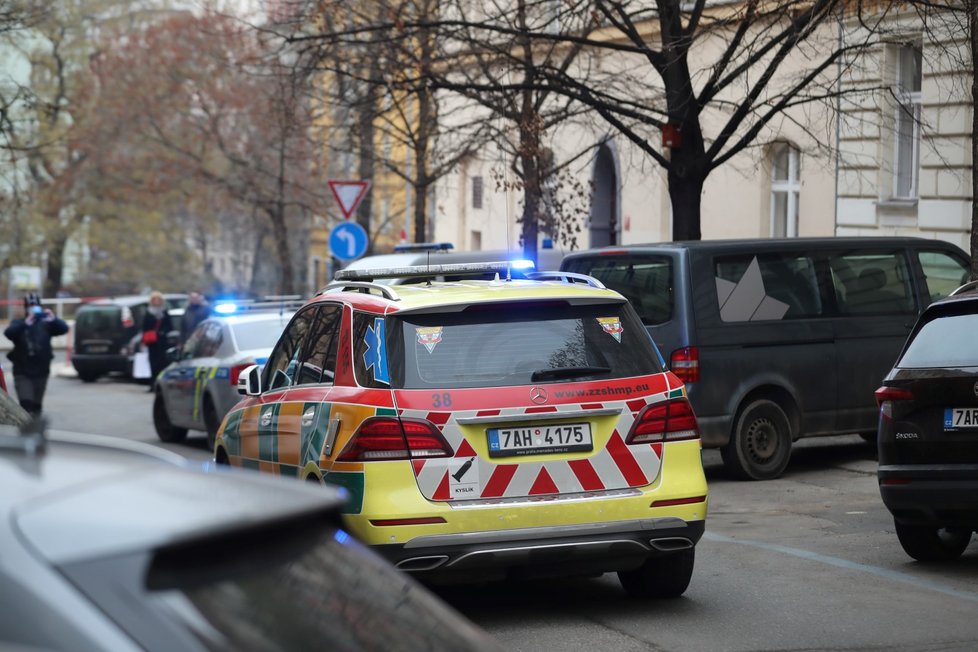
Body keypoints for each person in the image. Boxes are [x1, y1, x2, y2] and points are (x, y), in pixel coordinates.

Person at [3, 293, 70, 416]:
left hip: (41, 371)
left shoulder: (46, 323)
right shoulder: (19, 323)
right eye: (30, 305)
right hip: (22, 371)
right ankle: (26, 431)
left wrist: (53, 319)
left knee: (37, 406)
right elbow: (9, 333)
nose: (33, 308)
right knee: (26, 404)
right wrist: (25, 324)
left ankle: (35, 431)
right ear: (26, 307)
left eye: (35, 305)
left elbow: (64, 329)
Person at [142, 291, 174, 391]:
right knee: (153, 363)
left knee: (162, 363)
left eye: (158, 299)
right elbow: (145, 326)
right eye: (154, 299)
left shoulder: (164, 312)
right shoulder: (148, 312)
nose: (156, 301)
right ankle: (153, 384)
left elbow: (169, 326)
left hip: (162, 342)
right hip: (152, 342)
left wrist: (162, 332)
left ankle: (162, 385)